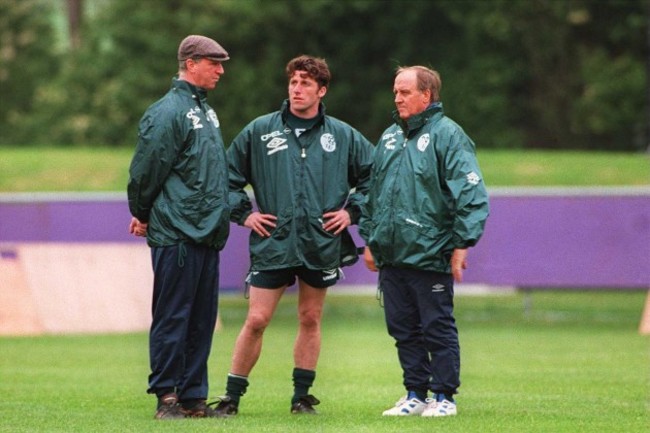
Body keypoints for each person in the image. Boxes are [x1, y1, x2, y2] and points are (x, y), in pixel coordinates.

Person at [213, 55, 373, 416]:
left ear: (322, 90)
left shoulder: (343, 135)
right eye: (293, 82)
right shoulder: (260, 131)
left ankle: (301, 397)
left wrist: (352, 212)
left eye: (305, 83)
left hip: (320, 242)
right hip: (274, 240)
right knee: (256, 320)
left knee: (310, 317)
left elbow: (374, 176)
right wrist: (245, 215)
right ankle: (231, 397)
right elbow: (226, 177)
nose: (297, 89)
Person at [359, 65, 489, 417]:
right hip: (392, 253)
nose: (397, 98)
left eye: (404, 92)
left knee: (436, 326)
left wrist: (462, 243)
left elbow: (472, 193)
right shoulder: (389, 137)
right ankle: (415, 393)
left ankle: (445, 396)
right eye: (395, 92)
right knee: (402, 328)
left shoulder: (448, 135)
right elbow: (373, 194)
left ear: (426, 95)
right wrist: (370, 238)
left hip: (430, 253)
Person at [127, 34, 231, 420]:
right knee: (174, 315)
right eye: (213, 62)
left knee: (202, 320)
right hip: (178, 233)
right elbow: (145, 170)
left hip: (206, 231)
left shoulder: (206, 110)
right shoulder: (167, 111)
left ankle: (193, 398)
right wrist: (142, 211)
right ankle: (167, 397)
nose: (220, 70)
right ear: (191, 63)